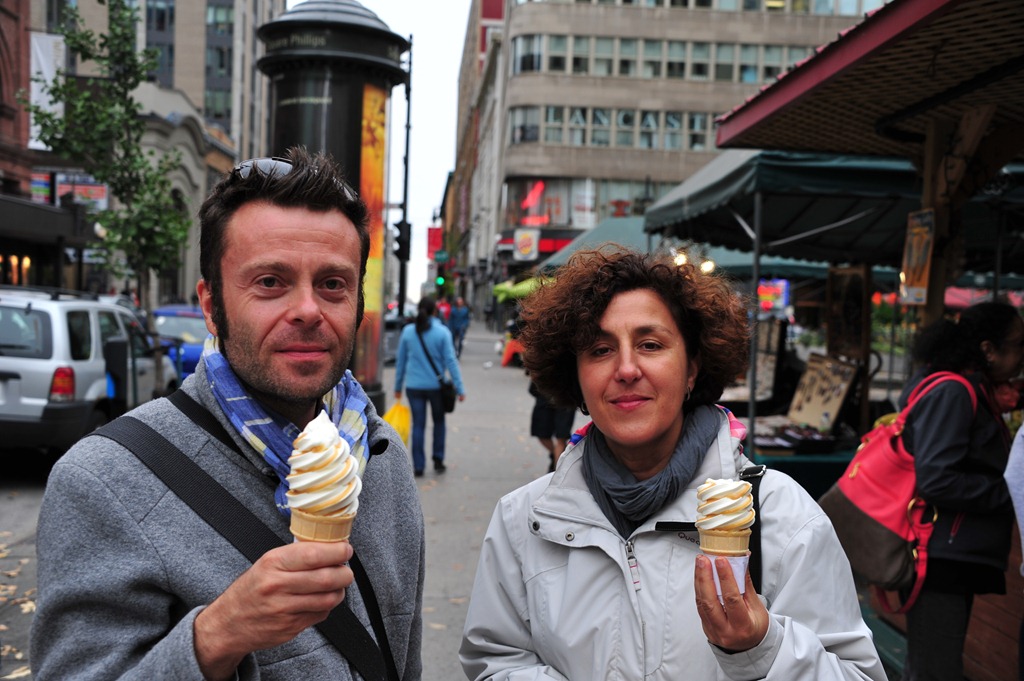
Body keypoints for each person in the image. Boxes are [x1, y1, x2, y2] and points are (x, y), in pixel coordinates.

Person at [30, 148, 425, 680]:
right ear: (211, 306)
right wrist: (218, 634)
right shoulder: (104, 480)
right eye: (270, 282)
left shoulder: (383, 455)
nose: (308, 310)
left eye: (333, 284)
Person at [460, 246, 885, 680]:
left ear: (692, 369)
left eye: (650, 344)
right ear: (577, 378)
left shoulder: (783, 516)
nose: (627, 369)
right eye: (600, 350)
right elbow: (496, 661)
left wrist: (763, 650)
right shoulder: (524, 520)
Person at [897, 301, 1022, 681]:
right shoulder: (954, 392)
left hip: (947, 553)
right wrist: (1010, 492)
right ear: (988, 349)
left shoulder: (968, 390)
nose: (1022, 355)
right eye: (1019, 344)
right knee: (935, 670)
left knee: (930, 665)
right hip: (938, 557)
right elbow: (937, 479)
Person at [394, 296, 465, 476]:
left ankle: (418, 466)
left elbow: (401, 362)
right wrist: (460, 387)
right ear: (435, 311)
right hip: (436, 387)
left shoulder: (408, 332)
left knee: (418, 425)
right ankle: (438, 460)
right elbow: (451, 361)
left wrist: (397, 386)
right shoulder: (443, 332)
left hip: (413, 386)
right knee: (439, 422)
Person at [529, 377, 575, 473]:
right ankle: (556, 455)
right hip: (544, 394)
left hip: (566, 395)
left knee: (561, 437)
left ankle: (557, 473)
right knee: (541, 434)